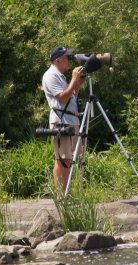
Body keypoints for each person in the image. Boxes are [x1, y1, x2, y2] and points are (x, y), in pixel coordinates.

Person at [42, 46, 86, 193]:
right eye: (67, 58)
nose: (69, 61)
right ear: (58, 60)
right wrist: (73, 79)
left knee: (70, 159)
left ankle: (66, 193)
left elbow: (71, 97)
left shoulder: (60, 76)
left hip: (71, 120)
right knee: (62, 159)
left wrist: (77, 84)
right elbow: (62, 97)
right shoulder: (50, 76)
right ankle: (61, 196)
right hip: (61, 121)